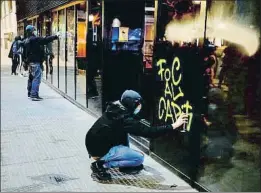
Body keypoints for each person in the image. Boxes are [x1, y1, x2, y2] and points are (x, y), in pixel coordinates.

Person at [85, 90, 188, 180]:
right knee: (138, 158)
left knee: (124, 135)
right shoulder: (124, 119)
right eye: (138, 104)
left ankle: (117, 162)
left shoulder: (114, 108)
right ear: (132, 104)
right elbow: (150, 132)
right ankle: (101, 164)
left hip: (92, 143)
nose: (140, 106)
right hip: (99, 150)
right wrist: (174, 125)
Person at [23, 25, 59, 101]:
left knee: (31, 78)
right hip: (35, 62)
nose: (36, 31)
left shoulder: (27, 40)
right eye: (34, 30)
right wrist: (55, 36)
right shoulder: (35, 39)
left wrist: (25, 62)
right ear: (32, 31)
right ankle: (34, 95)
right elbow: (45, 40)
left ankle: (30, 93)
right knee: (37, 78)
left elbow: (25, 53)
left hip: (30, 62)